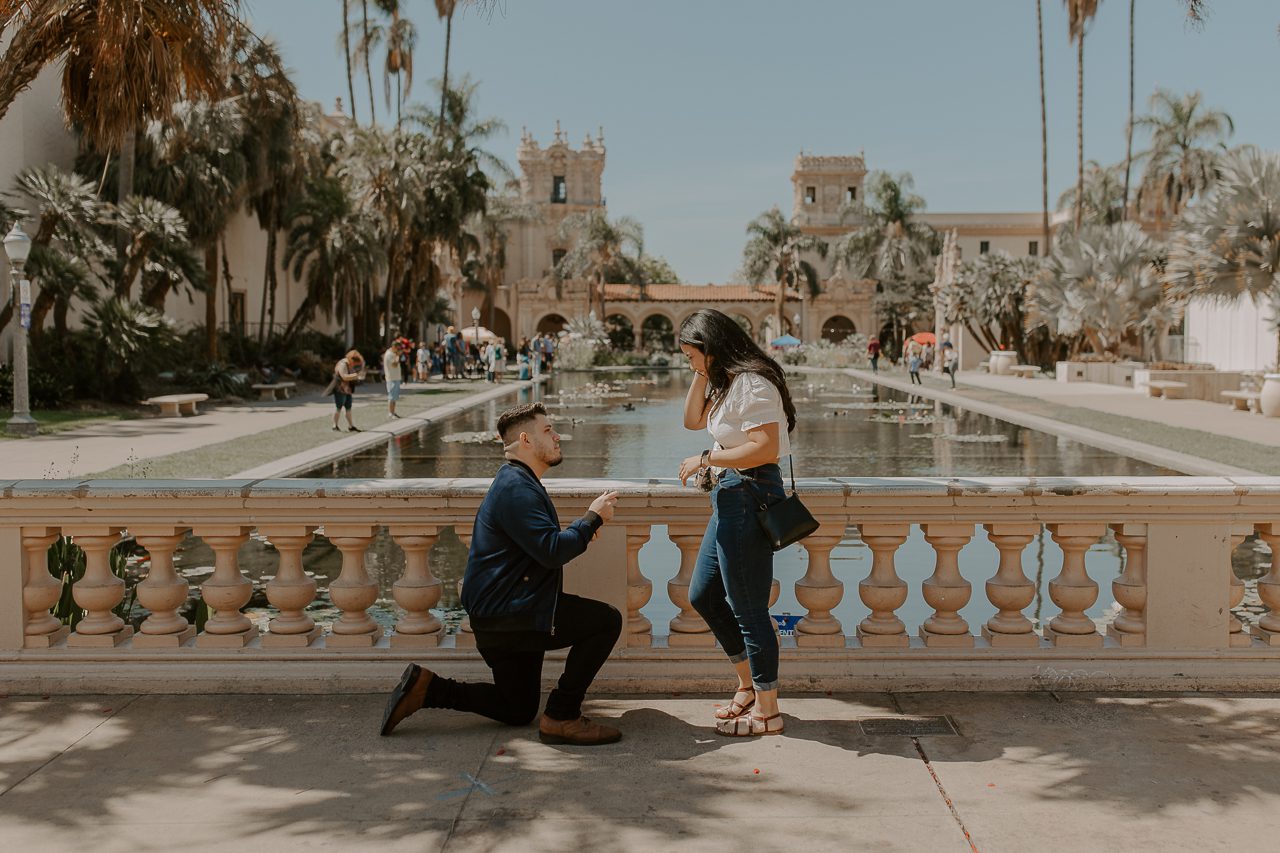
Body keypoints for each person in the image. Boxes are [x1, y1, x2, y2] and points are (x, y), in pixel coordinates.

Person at [379, 402, 625, 746]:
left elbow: (543, 546)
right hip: (512, 615)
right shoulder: (516, 488)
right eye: (548, 430)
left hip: (504, 612)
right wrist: (591, 518)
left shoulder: (516, 480)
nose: (557, 436)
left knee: (517, 708)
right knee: (606, 621)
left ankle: (427, 688)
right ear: (525, 440)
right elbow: (552, 551)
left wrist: (578, 533)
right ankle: (563, 716)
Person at [675, 308, 795, 737]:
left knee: (748, 608)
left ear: (712, 347)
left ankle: (768, 711)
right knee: (704, 594)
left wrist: (707, 458)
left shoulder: (752, 384)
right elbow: (691, 420)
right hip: (730, 495)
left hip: (749, 493)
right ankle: (747, 685)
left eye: (691, 355)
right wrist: (702, 370)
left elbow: (764, 448)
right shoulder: (729, 383)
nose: (687, 362)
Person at [328, 350, 365, 432]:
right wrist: (356, 376)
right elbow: (344, 376)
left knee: (348, 407)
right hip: (340, 389)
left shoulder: (349, 364)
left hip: (347, 389)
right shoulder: (343, 364)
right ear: (351, 359)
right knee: (338, 407)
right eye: (355, 363)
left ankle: (351, 426)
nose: (355, 365)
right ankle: (335, 426)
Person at [383, 341, 403, 418]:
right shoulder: (389, 354)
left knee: (394, 397)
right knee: (391, 396)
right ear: (394, 347)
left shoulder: (393, 354)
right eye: (398, 348)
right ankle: (390, 413)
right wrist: (398, 356)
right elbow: (394, 364)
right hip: (391, 378)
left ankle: (393, 412)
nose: (398, 350)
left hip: (396, 377)